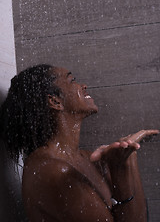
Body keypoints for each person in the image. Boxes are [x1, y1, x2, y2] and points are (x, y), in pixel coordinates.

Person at [0, 64, 158, 222]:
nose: (84, 86)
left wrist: (130, 156)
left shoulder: (89, 159)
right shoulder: (51, 171)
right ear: (55, 101)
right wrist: (121, 169)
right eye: (72, 80)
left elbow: (139, 216)